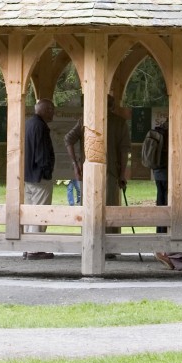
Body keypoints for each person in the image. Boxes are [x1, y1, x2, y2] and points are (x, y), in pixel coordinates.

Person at [65, 96, 131, 254]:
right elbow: (124, 151)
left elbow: (68, 140)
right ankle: (110, 248)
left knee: (88, 207)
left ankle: (88, 245)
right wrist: (122, 174)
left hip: (88, 173)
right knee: (110, 209)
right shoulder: (119, 122)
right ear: (112, 105)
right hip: (111, 173)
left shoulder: (85, 121)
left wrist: (76, 164)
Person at [141, 114, 182, 232]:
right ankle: (174, 236)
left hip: (158, 175)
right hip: (177, 176)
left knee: (161, 205)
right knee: (176, 207)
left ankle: (160, 238)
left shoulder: (158, 133)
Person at [24, 97, 56, 259]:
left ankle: (28, 245)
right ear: (45, 110)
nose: (53, 113)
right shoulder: (41, 127)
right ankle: (35, 249)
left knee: (30, 211)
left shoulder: (28, 124)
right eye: (51, 110)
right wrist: (47, 171)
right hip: (39, 176)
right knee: (40, 212)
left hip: (28, 175)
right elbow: (42, 153)